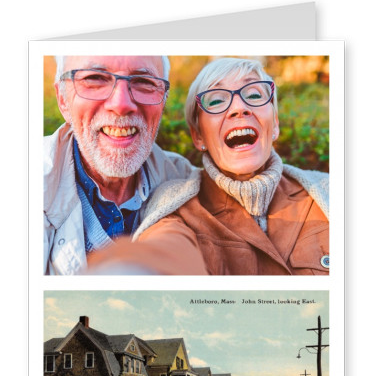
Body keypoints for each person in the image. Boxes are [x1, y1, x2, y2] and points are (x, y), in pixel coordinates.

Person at [87, 57, 329, 275]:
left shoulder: (328, 192)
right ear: (198, 136)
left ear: (274, 123)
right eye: (216, 100)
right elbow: (165, 250)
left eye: (254, 95)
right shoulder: (176, 207)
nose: (239, 108)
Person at [44, 55, 198, 275]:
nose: (121, 105)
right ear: (62, 99)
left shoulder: (187, 183)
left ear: (163, 100)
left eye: (144, 82)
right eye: (95, 78)